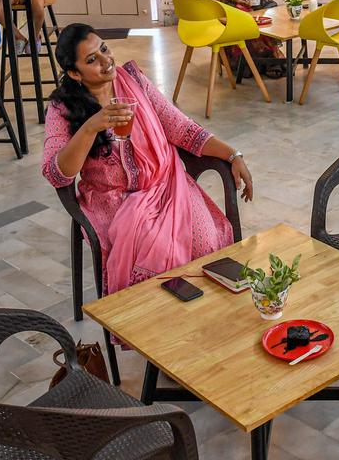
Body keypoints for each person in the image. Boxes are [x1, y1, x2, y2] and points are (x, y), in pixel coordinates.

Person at [42, 23, 254, 295]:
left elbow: (181, 128)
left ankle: (204, 321)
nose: (107, 61)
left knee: (205, 242)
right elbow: (57, 173)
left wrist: (232, 154)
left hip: (167, 186)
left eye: (104, 49)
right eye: (92, 60)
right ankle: (153, 328)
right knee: (153, 255)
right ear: (74, 73)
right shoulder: (62, 108)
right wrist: (91, 127)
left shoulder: (133, 81)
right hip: (113, 200)